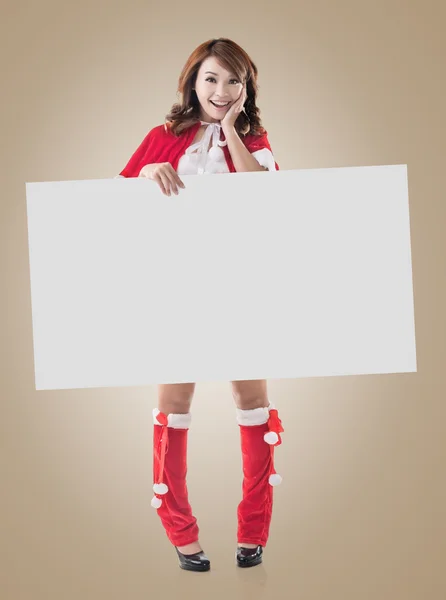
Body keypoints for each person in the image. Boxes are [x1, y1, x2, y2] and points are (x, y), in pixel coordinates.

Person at [115, 37, 284, 572]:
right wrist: (144, 173)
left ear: (245, 87)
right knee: (174, 406)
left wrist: (232, 130)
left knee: (252, 404)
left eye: (233, 80)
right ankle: (181, 533)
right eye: (211, 78)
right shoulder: (162, 138)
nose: (221, 89)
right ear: (193, 81)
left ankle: (253, 530)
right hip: (175, 289)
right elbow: (108, 209)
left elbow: (269, 199)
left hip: (240, 288)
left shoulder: (254, 140)